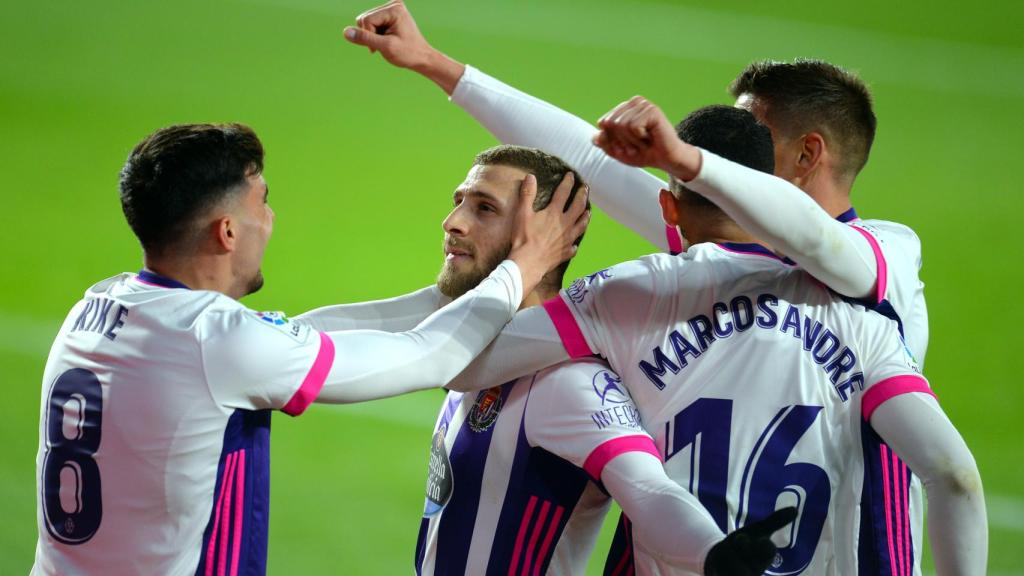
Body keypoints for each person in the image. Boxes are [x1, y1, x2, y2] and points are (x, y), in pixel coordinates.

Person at [341, 3, 930, 568]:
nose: (727, 149)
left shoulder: (884, 264)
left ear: (808, 154)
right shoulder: (716, 247)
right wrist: (433, 63)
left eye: (752, 134)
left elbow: (828, 248)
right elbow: (588, 161)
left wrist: (692, 163)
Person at [445, 106, 986, 575]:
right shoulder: (867, 316)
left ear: (669, 211)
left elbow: (460, 359)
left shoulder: (629, 294)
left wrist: (522, 265)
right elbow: (956, 477)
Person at [31, 123, 588, 575]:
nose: (270, 220)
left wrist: (472, 277)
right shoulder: (219, 341)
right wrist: (523, 265)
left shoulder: (102, 305)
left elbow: (293, 336)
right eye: (262, 204)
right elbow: (430, 356)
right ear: (227, 231)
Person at [297, 145, 795, 576]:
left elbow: (645, 487)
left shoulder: (568, 382)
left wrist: (712, 553)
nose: (453, 222)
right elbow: (376, 321)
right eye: (459, 202)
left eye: (484, 209)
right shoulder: (468, 335)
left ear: (547, 238)